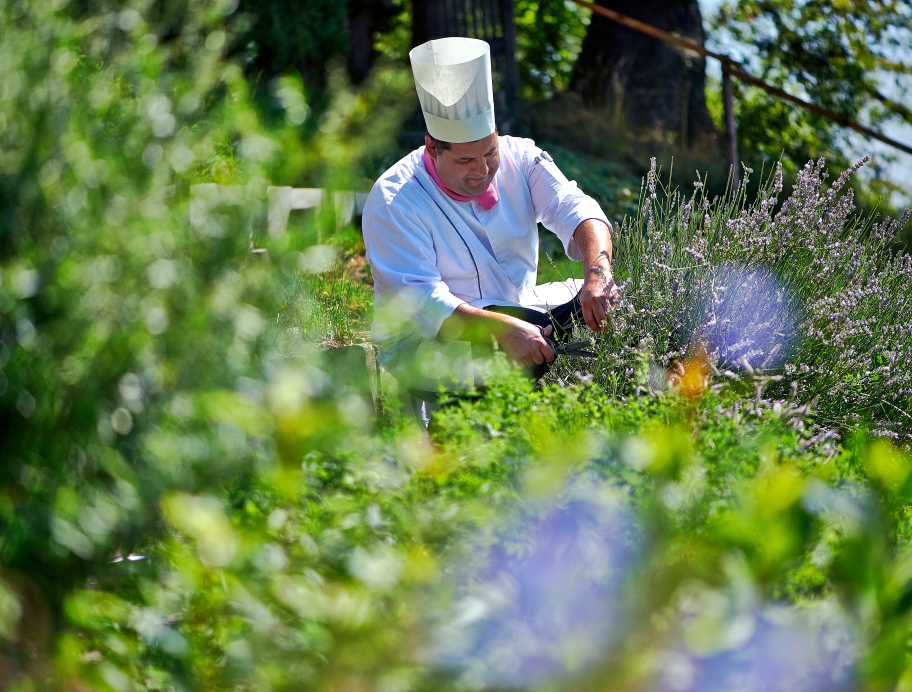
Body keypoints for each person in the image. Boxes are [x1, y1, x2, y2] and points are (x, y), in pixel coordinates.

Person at [362, 36, 617, 413]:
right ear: (433, 148)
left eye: (489, 152)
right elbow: (421, 303)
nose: (482, 171)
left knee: (605, 301)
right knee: (517, 331)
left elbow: (575, 209)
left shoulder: (523, 157)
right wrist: (501, 329)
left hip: (517, 312)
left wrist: (599, 273)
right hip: (424, 340)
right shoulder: (394, 198)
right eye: (465, 161)